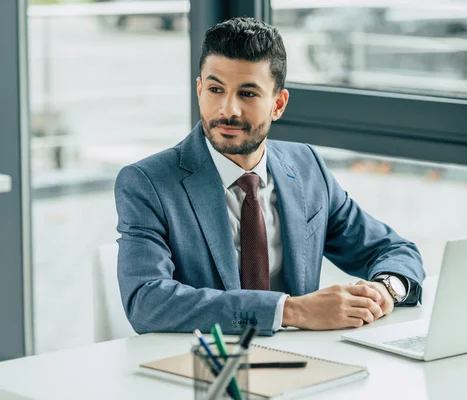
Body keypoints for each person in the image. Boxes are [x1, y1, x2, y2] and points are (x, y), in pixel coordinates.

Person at [115, 17, 425, 336]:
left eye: (247, 94)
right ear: (199, 90)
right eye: (215, 89)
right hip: (206, 367)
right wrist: (292, 311)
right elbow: (146, 302)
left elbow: (394, 250)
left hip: (306, 362)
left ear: (278, 104)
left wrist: (385, 291)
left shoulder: (306, 166)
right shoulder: (147, 183)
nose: (228, 110)